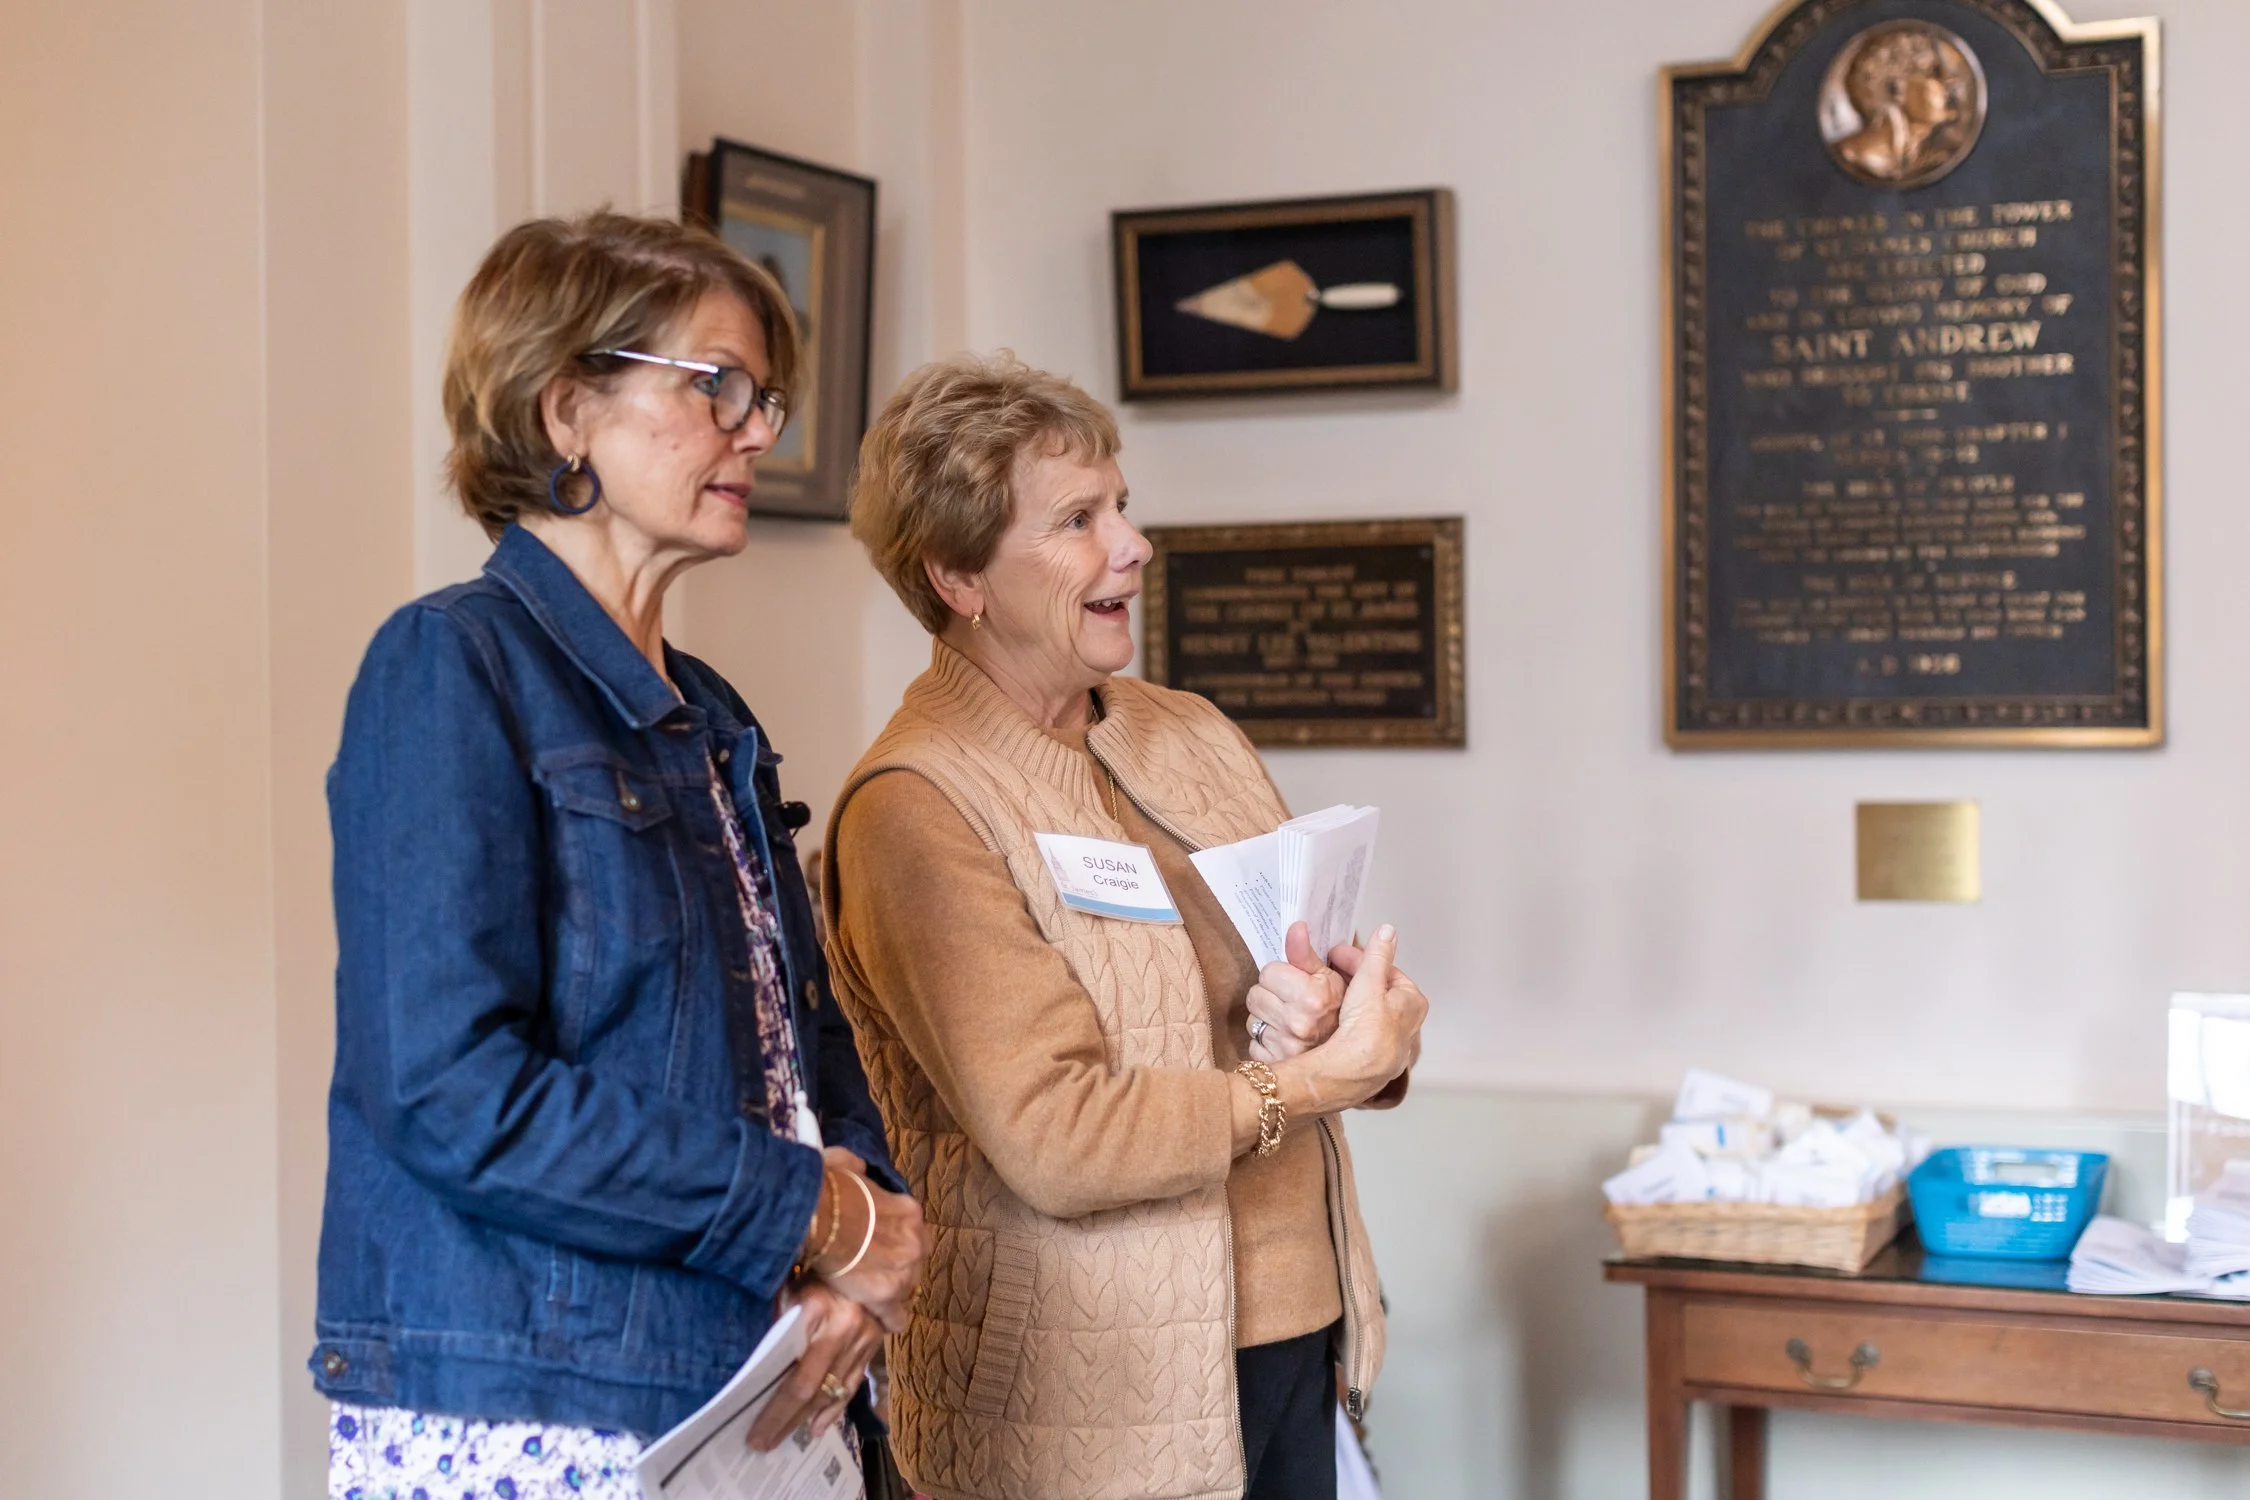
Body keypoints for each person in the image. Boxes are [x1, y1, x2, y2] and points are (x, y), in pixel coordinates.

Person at [310, 211, 927, 1500]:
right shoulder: (447, 667)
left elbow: (796, 1043)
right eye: (720, 389)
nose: (760, 433)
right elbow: (448, 1090)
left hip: (751, 1382)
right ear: (565, 410)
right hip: (544, 1407)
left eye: (764, 399)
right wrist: (814, 1218)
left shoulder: (710, 706)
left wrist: (866, 1231)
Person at [823, 352, 1429, 1500]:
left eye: (1123, 505)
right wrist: (1312, 1087)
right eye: (1077, 519)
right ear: (958, 574)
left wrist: (1344, 1017)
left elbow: (1274, 984)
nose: (1133, 546)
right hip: (1080, 1403)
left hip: (1293, 1338)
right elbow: (1055, 1134)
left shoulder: (1186, 728)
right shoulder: (915, 805)